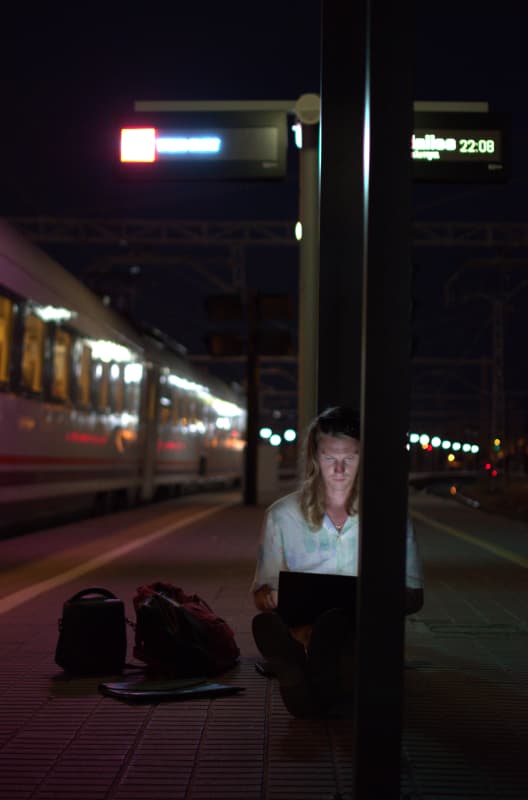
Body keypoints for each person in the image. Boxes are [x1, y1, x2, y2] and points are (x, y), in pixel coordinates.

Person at [250, 405, 424, 718]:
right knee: (318, 634)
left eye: (350, 457)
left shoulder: (390, 516)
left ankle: (296, 673)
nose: (339, 469)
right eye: (330, 457)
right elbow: (262, 591)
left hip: (362, 634)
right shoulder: (281, 516)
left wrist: (374, 599)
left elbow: (413, 594)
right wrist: (270, 596)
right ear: (315, 458)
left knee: (338, 631)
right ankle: (306, 658)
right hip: (303, 628)